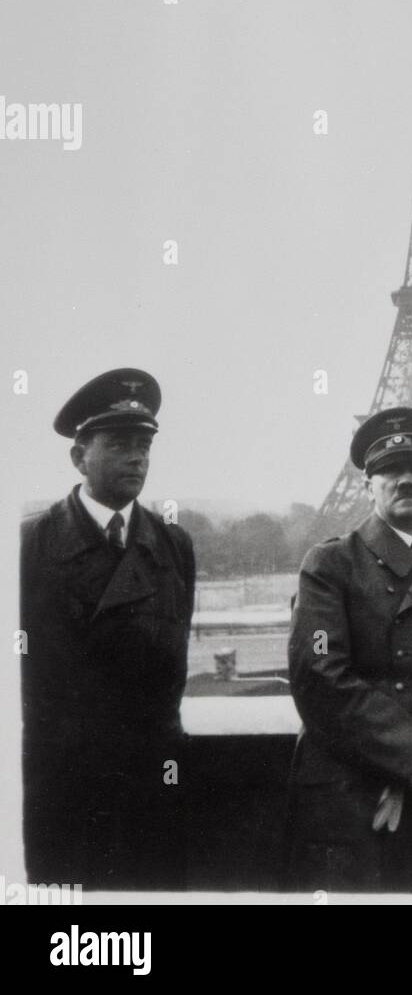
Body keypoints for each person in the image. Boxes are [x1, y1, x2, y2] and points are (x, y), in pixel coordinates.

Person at [286, 407, 412, 892]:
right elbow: (318, 673)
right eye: (389, 470)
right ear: (368, 484)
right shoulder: (329, 564)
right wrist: (409, 757)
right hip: (353, 793)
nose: (405, 480)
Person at [20, 369, 195, 888]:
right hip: (63, 786)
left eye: (144, 445)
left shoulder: (173, 545)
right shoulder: (29, 545)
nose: (138, 457)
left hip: (152, 782)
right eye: (120, 444)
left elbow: (173, 664)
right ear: (79, 457)